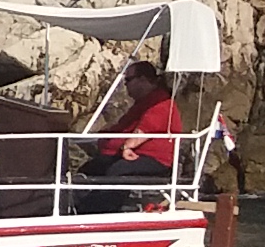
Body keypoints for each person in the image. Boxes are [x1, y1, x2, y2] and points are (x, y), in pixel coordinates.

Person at [79, 61, 186, 206]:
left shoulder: (161, 101)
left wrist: (127, 147)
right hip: (133, 153)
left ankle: (98, 209)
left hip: (155, 159)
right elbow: (124, 126)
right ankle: (78, 205)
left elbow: (146, 128)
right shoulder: (143, 103)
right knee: (92, 168)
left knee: (119, 170)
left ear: (143, 79)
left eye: (128, 80)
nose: (125, 85)